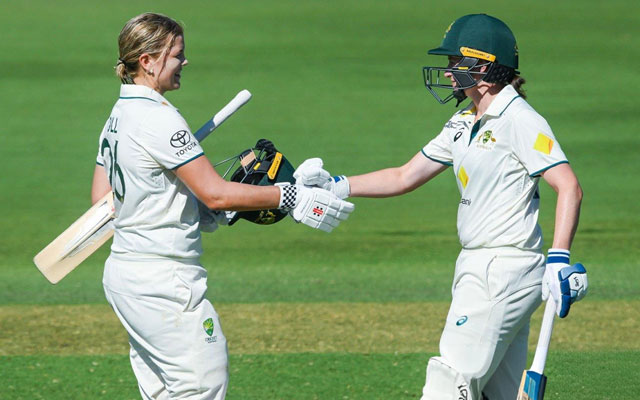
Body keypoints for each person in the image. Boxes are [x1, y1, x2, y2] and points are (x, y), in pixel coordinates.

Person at [294, 14, 588, 400]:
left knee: (449, 383)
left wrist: (559, 258)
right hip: (478, 265)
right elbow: (404, 176)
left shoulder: (519, 119)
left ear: (482, 67)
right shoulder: (463, 121)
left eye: (454, 63)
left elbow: (568, 186)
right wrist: (338, 185)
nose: (448, 73)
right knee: (496, 393)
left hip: (503, 268)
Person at [91, 13, 353, 399]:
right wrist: (289, 196)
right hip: (164, 281)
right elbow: (216, 192)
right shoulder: (159, 119)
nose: (185, 62)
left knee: (165, 392)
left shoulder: (118, 116)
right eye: (177, 54)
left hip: (124, 278)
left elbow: (104, 198)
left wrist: (194, 209)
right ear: (147, 60)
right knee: (202, 386)